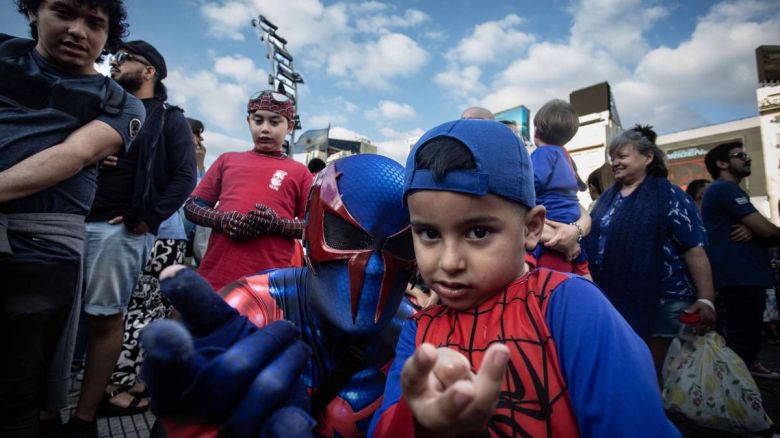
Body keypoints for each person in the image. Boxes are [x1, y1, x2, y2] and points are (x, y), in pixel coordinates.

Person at [370, 119, 680, 437]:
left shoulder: (570, 304)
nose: (449, 262)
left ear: (531, 228)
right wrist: (420, 421)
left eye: (478, 232)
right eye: (429, 233)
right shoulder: (418, 330)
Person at [139, 154, 416, 437]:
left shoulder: (418, 336)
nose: (372, 268)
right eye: (348, 236)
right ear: (312, 230)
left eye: (400, 246)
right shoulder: (253, 306)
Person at [0, 1, 143, 436]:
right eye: (64, 12)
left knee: (15, 392)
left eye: (94, 23)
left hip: (41, 251)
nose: (79, 31)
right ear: (34, 11)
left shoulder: (121, 104)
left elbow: (73, 154)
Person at [87, 40, 197, 419]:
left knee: (119, 314)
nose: (114, 64)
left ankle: (107, 394)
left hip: (124, 231)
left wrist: (147, 217)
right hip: (77, 220)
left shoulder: (167, 117)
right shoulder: (105, 107)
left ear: (149, 71)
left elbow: (185, 177)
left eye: (123, 59)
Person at [583, 125, 716, 381]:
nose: (616, 163)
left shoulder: (669, 196)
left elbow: (694, 248)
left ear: (648, 157)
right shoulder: (607, 199)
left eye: (622, 156)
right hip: (615, 296)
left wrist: (706, 298)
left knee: (648, 372)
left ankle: (650, 418)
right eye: (613, 159)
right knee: (628, 366)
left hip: (663, 298)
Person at [184, 90, 313, 290]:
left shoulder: (300, 172)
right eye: (258, 121)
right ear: (248, 121)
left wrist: (277, 225)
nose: (265, 129)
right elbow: (192, 206)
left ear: (290, 126)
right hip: (216, 275)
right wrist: (223, 220)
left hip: (269, 284)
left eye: (275, 122)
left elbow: (315, 228)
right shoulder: (228, 160)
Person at [701, 141, 780, 379]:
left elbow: (760, 229)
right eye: (740, 155)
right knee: (741, 338)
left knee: (745, 335)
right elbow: (767, 231)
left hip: (743, 276)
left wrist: (754, 229)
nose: (748, 159)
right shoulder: (724, 189)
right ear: (722, 163)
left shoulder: (731, 191)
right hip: (739, 277)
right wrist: (758, 229)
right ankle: (740, 394)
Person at [529, 99, 591, 276]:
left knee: (534, 248)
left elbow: (534, 180)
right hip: (572, 214)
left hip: (551, 215)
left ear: (537, 129)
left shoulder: (542, 153)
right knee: (580, 254)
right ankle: (584, 272)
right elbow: (579, 182)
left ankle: (528, 263)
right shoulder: (566, 154)